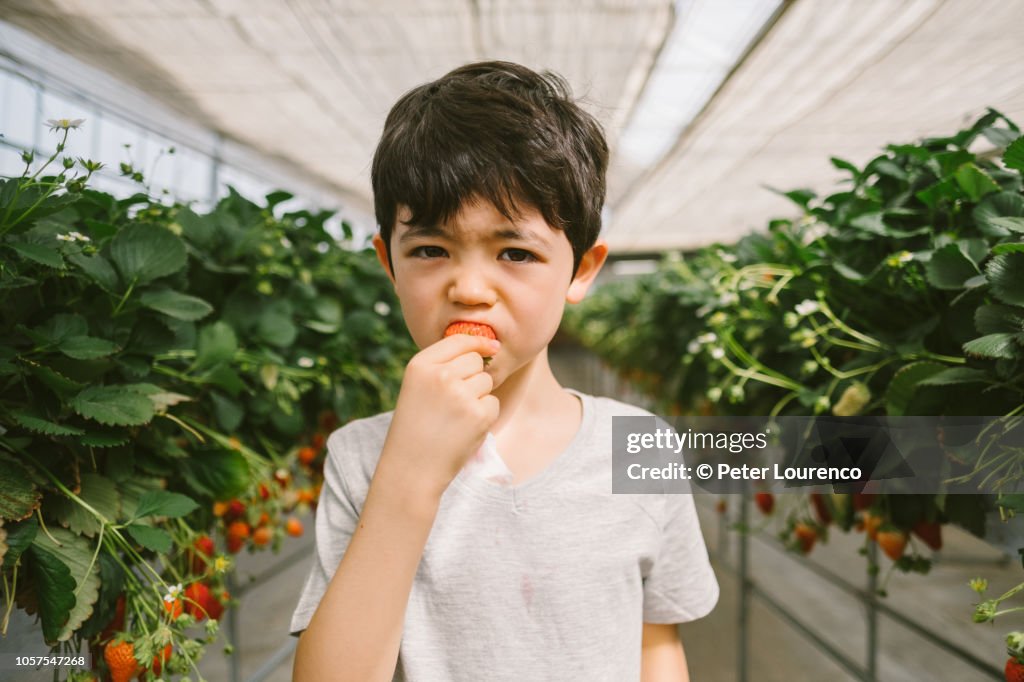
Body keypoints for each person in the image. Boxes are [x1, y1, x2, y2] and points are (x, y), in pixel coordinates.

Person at [290, 60, 719, 682]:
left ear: (581, 270)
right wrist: (409, 475)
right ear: (389, 262)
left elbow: (655, 646)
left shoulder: (640, 447)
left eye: (515, 252)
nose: (469, 288)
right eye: (431, 250)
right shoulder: (363, 457)